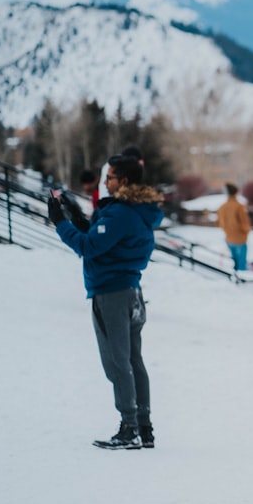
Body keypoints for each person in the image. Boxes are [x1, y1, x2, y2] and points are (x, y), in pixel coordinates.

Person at [47, 153, 164, 449]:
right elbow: (102, 237)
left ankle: (130, 428)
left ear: (123, 181)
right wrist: (74, 215)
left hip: (112, 293)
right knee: (133, 360)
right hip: (131, 291)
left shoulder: (120, 212)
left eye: (109, 177)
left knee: (117, 361)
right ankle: (143, 427)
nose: (105, 182)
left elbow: (88, 246)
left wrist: (60, 222)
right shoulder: (136, 210)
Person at [216, 182, 252, 273]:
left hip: (228, 238)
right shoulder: (239, 206)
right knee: (241, 264)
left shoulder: (222, 207)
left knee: (234, 262)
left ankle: (235, 279)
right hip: (240, 239)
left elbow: (220, 223)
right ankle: (241, 281)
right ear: (236, 193)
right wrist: (247, 231)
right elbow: (245, 223)